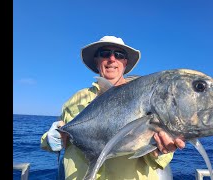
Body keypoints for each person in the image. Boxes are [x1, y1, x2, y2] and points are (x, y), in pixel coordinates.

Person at [40, 35, 186, 180]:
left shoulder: (144, 96)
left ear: (125, 62)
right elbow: (53, 138)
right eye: (105, 54)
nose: (112, 59)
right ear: (96, 61)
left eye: (119, 55)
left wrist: (160, 151)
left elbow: (156, 158)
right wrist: (51, 138)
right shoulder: (75, 100)